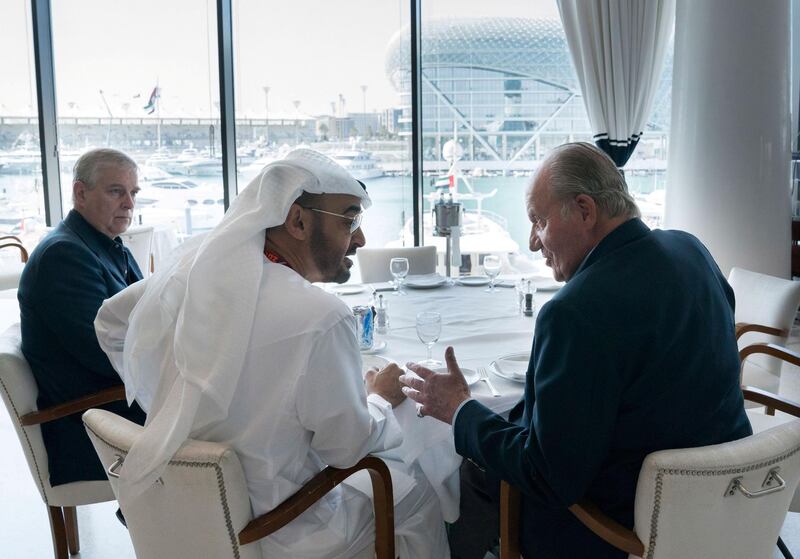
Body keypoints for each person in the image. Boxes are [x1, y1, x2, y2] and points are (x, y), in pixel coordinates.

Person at [400, 142, 752, 559]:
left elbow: (548, 476)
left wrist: (460, 410)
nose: (533, 243)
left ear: (585, 210)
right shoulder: (690, 249)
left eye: (539, 221)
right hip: (728, 505)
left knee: (463, 479)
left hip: (623, 531)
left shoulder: (575, 313)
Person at [94, 149, 449, 558]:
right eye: (350, 220)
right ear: (298, 221)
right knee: (417, 490)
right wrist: (380, 398)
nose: (361, 239)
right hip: (279, 529)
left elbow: (110, 323)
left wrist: (176, 401)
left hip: (187, 519)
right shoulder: (323, 316)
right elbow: (347, 449)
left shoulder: (196, 275)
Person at [17, 148, 147, 486]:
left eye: (132, 193)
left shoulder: (105, 244)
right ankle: (179, 522)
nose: (129, 205)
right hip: (90, 424)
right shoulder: (64, 255)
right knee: (225, 419)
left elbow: (147, 319)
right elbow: (104, 355)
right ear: (80, 193)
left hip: (112, 401)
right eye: (116, 191)